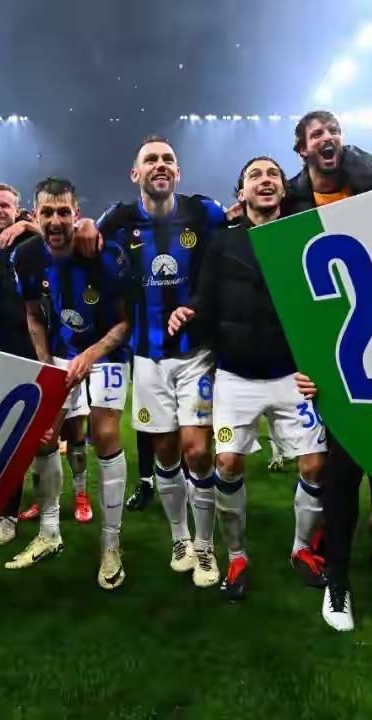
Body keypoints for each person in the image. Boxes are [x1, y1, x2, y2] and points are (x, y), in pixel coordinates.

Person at [167, 156, 328, 601]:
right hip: (235, 377)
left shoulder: (299, 237)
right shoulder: (223, 241)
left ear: (283, 189)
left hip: (291, 374)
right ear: (242, 193)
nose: (265, 180)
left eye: (272, 174)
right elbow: (204, 295)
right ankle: (237, 555)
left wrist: (319, 363)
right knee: (227, 464)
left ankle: (301, 549)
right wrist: (188, 311)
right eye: (255, 175)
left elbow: (321, 304)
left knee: (316, 465)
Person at [76, 134, 229, 588]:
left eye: (168, 159)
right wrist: (82, 223)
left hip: (196, 352)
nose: (160, 165)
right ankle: (180, 538)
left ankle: (205, 545)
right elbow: (80, 238)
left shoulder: (205, 213)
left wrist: (202, 307)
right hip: (146, 356)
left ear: (177, 172)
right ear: (135, 173)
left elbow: (231, 252)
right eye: (151, 160)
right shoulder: (118, 221)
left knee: (197, 451)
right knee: (164, 451)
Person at [284, 110, 372, 629]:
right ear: (302, 149)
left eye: (333, 131)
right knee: (342, 459)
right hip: (330, 346)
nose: (327, 138)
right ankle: (338, 578)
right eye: (317, 134)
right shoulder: (291, 202)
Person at [6, 177, 133, 589]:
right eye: (47, 212)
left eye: (64, 212)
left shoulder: (104, 255)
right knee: (43, 438)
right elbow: (33, 315)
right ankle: (49, 534)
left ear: (77, 214)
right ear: (35, 215)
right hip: (60, 353)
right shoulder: (26, 256)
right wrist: (47, 367)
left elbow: (124, 323)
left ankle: (111, 545)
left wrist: (91, 355)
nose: (56, 220)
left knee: (105, 434)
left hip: (106, 351)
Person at [0, 182, 45, 546]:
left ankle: (8, 515)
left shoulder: (29, 242)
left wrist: (31, 226)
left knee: (12, 438)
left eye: (5, 205)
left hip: (22, 350)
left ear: (17, 209)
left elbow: (60, 240)